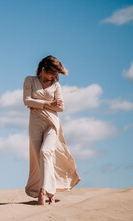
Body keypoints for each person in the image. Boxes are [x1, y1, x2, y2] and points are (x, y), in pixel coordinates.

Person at [23, 55, 81, 205]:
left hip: (52, 123)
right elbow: (26, 100)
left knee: (45, 152)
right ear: (43, 69)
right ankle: (51, 193)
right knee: (40, 159)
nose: (54, 77)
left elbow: (61, 107)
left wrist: (38, 103)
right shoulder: (29, 80)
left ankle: (44, 193)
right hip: (35, 124)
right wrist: (49, 102)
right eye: (52, 73)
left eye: (56, 74)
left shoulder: (56, 85)